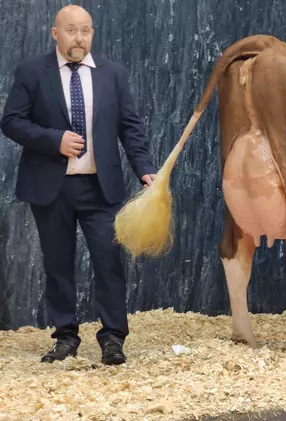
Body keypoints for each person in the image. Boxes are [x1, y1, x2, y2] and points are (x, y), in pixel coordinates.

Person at [0, 5, 157, 365]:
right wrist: (53, 140)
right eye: (71, 30)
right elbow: (11, 122)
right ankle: (65, 336)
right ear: (55, 33)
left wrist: (145, 169)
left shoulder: (113, 75)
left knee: (109, 263)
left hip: (100, 189)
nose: (79, 38)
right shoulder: (31, 73)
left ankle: (113, 337)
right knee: (57, 265)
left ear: (92, 33)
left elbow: (130, 127)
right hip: (50, 188)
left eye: (86, 30)